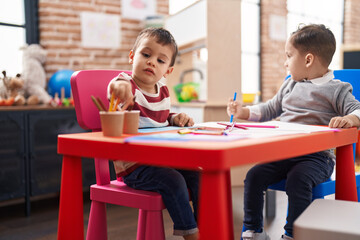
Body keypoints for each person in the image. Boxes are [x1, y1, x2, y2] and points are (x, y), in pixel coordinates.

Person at [227, 24, 360, 240]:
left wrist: (348, 118)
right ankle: (253, 231)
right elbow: (269, 109)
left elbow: (357, 109)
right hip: (284, 154)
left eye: (289, 56)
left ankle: (292, 234)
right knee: (254, 175)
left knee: (297, 180)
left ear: (308, 60)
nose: (285, 62)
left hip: (316, 159)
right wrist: (242, 111)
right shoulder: (290, 84)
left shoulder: (337, 89)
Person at [107, 27, 199, 240]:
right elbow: (115, 87)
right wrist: (119, 89)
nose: (151, 62)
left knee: (197, 175)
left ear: (168, 70)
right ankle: (192, 235)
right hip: (134, 167)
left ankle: (204, 226)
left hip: (161, 161)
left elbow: (159, 119)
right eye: (146, 55)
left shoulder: (163, 91)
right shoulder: (126, 83)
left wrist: (174, 118)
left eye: (160, 60)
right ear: (132, 56)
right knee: (174, 180)